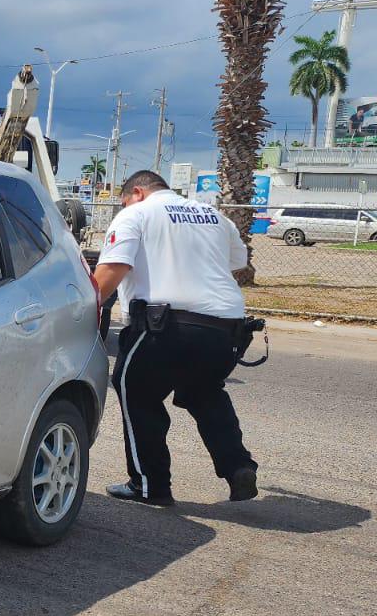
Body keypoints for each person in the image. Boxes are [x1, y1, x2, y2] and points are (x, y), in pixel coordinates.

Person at [91, 170, 258, 507]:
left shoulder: (135, 214)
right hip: (226, 330)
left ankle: (149, 486)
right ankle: (238, 466)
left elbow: (111, 270)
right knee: (205, 393)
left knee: (135, 392)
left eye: (123, 201)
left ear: (136, 192)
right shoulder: (215, 215)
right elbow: (237, 262)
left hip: (164, 326)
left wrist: (80, 309)